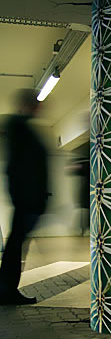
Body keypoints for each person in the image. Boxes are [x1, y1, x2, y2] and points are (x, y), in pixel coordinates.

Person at [0, 89, 49, 305]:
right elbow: (21, 168)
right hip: (26, 200)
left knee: (16, 245)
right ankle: (7, 291)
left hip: (26, 199)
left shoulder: (22, 129)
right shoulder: (20, 129)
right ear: (28, 105)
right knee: (15, 246)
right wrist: (29, 198)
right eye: (36, 104)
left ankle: (7, 289)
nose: (39, 108)